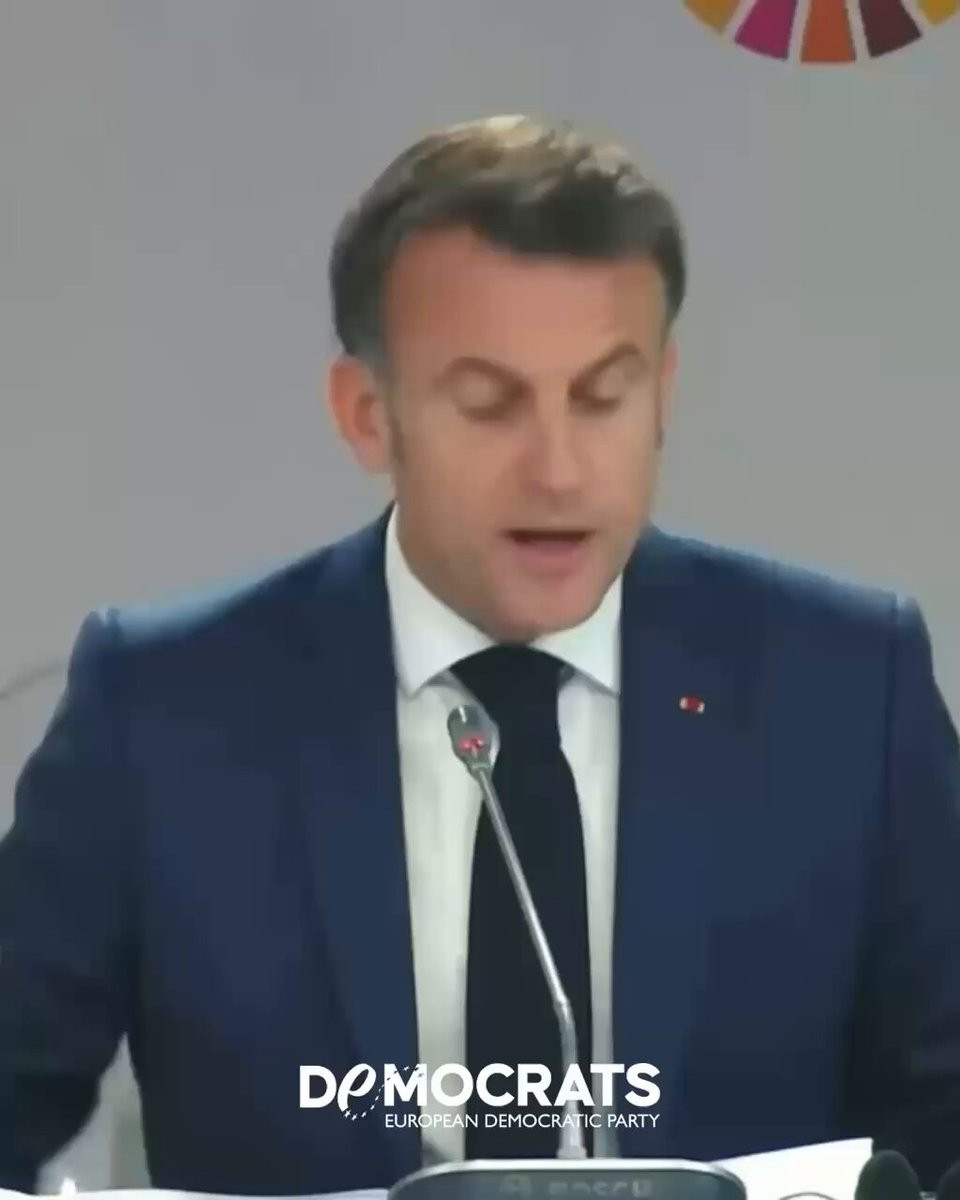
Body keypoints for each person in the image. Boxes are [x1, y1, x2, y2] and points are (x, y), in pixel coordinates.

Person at [2, 113, 959, 1195]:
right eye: (490, 406)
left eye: (602, 397)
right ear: (368, 415)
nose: (559, 471)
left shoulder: (846, 690)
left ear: (664, 393)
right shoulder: (165, 711)